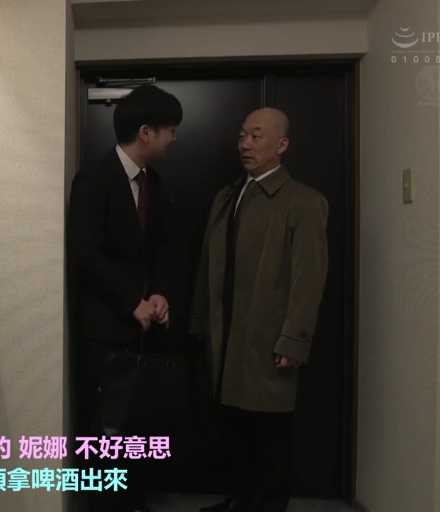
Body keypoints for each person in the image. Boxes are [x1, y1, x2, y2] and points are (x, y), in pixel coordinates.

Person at [190, 108, 329, 512]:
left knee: (269, 431)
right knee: (233, 426)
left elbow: (309, 279)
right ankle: (240, 501)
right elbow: (208, 266)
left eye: (256, 136)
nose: (245, 145)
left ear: (282, 144)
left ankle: (265, 506)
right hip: (226, 333)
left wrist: (294, 339)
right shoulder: (227, 196)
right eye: (241, 136)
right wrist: (200, 323)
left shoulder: (304, 202)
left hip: (267, 338)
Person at [67, 84, 182, 512]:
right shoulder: (94, 180)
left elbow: (161, 248)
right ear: (146, 132)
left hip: (145, 331)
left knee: (137, 427)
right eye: (171, 129)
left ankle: (132, 503)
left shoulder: (154, 182)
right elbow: (87, 254)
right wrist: (132, 302)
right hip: (105, 330)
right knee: (104, 430)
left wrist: (161, 293)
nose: (175, 138)